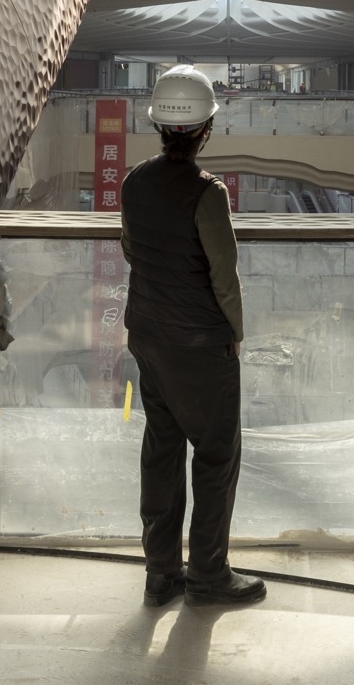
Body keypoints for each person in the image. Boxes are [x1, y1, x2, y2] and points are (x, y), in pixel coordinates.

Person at [120, 65, 266, 609]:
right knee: (215, 455)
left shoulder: (134, 180)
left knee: (162, 449)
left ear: (159, 125)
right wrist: (235, 333)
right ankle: (207, 575)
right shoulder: (209, 195)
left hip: (149, 336)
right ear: (206, 129)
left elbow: (133, 249)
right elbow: (222, 277)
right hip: (200, 345)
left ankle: (161, 575)